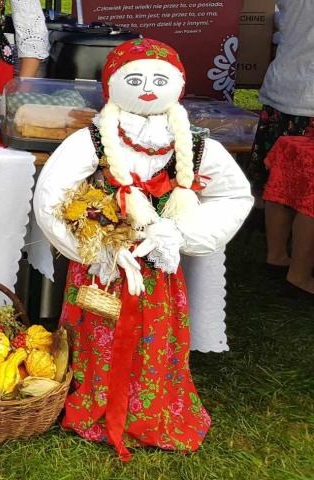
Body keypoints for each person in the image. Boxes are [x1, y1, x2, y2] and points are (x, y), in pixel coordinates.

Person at [33, 37, 252, 460]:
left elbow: (234, 196)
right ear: (113, 85)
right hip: (104, 267)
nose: (148, 88)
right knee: (97, 331)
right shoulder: (93, 140)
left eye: (159, 79)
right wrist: (93, 247)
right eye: (135, 79)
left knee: (158, 335)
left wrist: (182, 235)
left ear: (178, 85)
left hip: (159, 269)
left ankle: (149, 406)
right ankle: (94, 401)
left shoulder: (195, 143)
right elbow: (51, 197)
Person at [247, 0, 314, 298]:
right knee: (306, 192)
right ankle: (298, 270)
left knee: (279, 181)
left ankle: (277, 255)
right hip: (306, 97)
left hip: (285, 89)